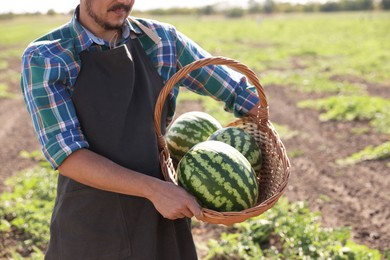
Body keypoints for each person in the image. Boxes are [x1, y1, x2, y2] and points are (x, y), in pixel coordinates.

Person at [20, 0, 261, 259]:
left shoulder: (162, 41)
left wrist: (259, 147)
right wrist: (155, 190)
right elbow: (67, 155)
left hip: (163, 217)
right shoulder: (46, 58)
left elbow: (240, 93)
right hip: (92, 223)